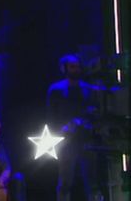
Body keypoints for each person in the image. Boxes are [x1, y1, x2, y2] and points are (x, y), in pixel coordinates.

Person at [47, 54, 100, 201]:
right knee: (65, 181)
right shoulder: (56, 89)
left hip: (87, 138)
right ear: (64, 68)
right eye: (72, 67)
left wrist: (86, 121)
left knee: (92, 180)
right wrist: (62, 129)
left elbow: (95, 110)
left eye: (77, 66)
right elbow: (51, 116)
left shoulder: (88, 89)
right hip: (66, 140)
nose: (76, 69)